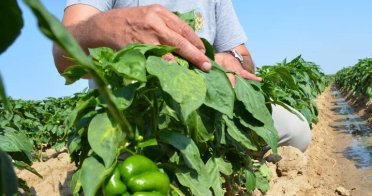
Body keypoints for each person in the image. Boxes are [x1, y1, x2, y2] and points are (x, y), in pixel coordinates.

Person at [53, 0, 312, 152]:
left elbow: (243, 55)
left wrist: (233, 59)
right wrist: (115, 27)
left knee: (296, 130)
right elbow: (63, 53)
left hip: (204, 105)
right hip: (132, 111)